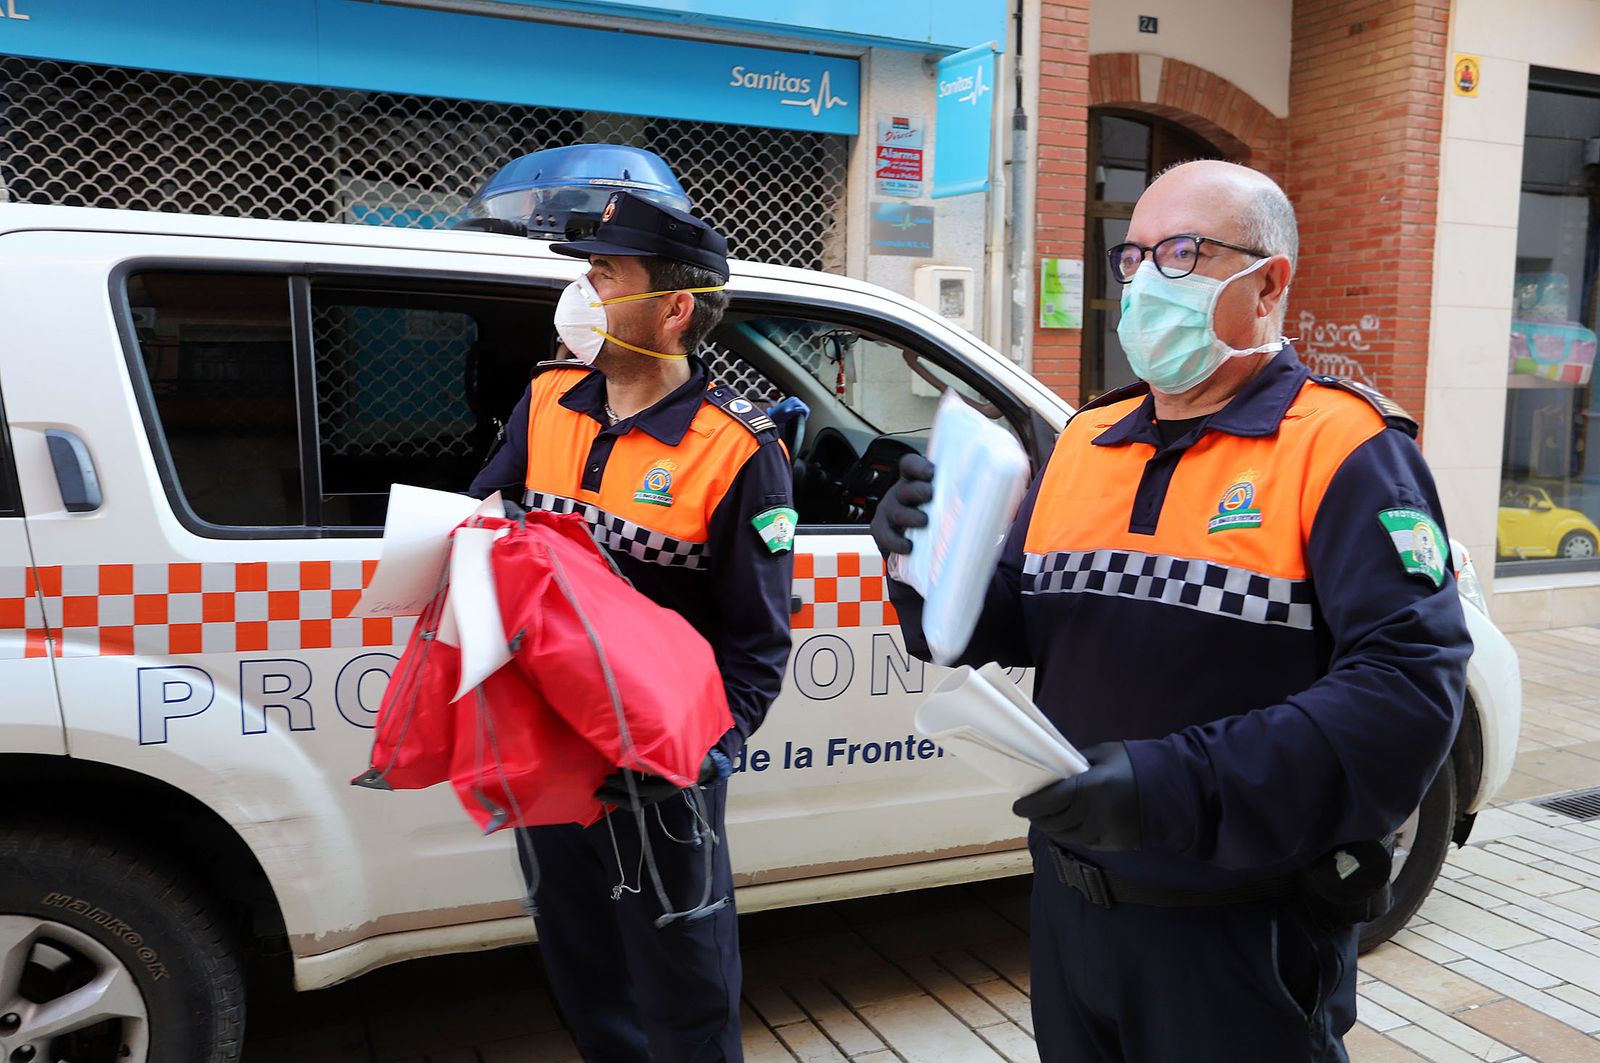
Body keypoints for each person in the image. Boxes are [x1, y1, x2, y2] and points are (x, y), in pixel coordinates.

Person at [871, 160, 1471, 1062]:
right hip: (1071, 917)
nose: (1149, 279)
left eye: (1185, 251)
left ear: (1269, 281)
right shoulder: (1085, 440)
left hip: (1237, 939)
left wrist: (1172, 786)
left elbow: (1407, 694)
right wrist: (917, 556)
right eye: (1136, 254)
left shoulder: (1346, 450)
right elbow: (1006, 622)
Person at [471, 191, 795, 1061]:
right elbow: (479, 516)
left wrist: (698, 757)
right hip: (550, 746)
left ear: (674, 307)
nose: (584, 292)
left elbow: (757, 641)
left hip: (658, 770)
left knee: (682, 980)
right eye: (586, 272)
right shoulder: (547, 400)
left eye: (605, 275)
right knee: (580, 963)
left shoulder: (736, 449)